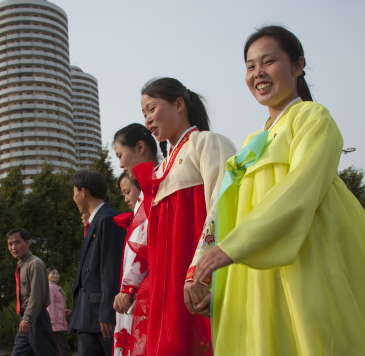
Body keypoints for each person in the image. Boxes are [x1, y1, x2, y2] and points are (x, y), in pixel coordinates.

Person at [190, 25, 365, 355]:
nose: (258, 73)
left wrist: (233, 247)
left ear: (298, 66)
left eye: (269, 62)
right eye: (251, 65)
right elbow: (231, 215)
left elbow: (300, 189)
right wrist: (222, 283)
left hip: (308, 261)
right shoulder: (251, 144)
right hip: (258, 275)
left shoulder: (312, 118)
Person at [135, 77, 236, 356]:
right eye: (144, 114)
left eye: (152, 109)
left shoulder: (207, 143)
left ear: (179, 104)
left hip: (197, 275)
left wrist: (200, 272)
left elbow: (223, 205)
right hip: (167, 281)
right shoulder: (161, 168)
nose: (148, 120)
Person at [112, 123, 159, 356]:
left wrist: (129, 288)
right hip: (137, 294)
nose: (120, 163)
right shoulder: (147, 192)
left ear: (140, 147)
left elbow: (149, 247)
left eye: (121, 155)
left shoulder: (157, 186)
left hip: (150, 291)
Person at [68, 170, 126, 356]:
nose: (73, 198)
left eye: (74, 192)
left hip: (100, 318)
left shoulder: (107, 218)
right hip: (89, 316)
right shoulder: (96, 221)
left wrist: (108, 312)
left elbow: (111, 268)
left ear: (83, 192)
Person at [6, 228, 58, 356]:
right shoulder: (22, 265)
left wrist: (28, 319)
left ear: (27, 243)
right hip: (26, 318)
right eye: (10, 244)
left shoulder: (35, 264)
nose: (13, 247)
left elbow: (36, 295)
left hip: (36, 319)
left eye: (17, 242)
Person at [46, 267, 72, 356]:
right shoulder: (50, 287)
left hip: (58, 320)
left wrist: (64, 311)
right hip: (55, 322)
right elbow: (50, 305)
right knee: (63, 346)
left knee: (59, 346)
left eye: (57, 273)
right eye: (53, 273)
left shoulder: (55, 287)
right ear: (47, 275)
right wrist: (51, 321)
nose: (56, 275)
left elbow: (57, 305)